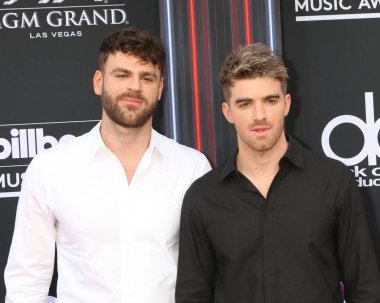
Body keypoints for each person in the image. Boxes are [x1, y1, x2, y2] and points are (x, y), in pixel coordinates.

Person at [4, 27, 211, 303]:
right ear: (98, 82)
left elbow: (209, 275)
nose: (134, 87)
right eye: (122, 75)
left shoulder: (192, 168)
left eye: (146, 77)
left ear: (160, 88)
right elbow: (26, 284)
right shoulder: (50, 169)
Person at [175, 43, 380, 303]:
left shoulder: (333, 182)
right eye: (245, 103)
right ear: (228, 112)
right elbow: (193, 296)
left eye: (270, 100)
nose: (259, 115)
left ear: (286, 104)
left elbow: (366, 287)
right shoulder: (203, 197)